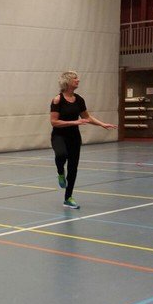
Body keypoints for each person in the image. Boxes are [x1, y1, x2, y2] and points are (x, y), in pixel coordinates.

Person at [50, 71, 117, 209]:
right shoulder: (57, 100)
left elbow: (87, 117)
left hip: (74, 137)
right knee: (61, 155)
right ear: (67, 82)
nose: (78, 80)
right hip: (59, 136)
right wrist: (74, 122)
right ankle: (60, 172)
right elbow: (54, 122)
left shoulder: (79, 99)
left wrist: (102, 124)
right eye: (75, 78)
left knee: (73, 167)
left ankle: (68, 198)